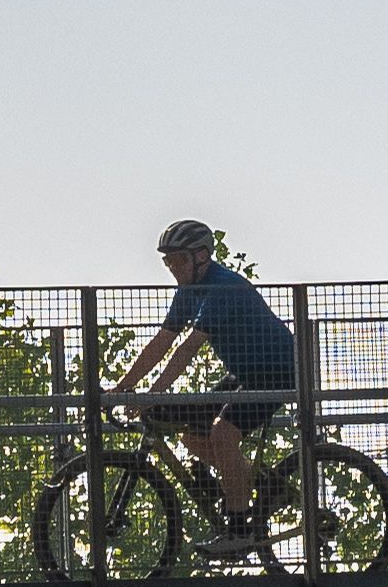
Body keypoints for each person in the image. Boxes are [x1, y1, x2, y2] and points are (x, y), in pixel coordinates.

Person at [114, 220, 297, 555]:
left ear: (201, 256)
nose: (173, 269)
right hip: (245, 373)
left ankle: (240, 530)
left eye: (179, 261)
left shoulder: (222, 286)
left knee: (224, 436)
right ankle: (262, 487)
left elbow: (188, 347)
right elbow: (163, 340)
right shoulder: (189, 291)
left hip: (278, 370)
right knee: (191, 433)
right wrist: (121, 389)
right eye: (168, 262)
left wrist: (152, 395)